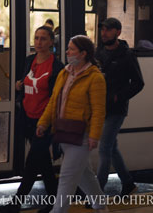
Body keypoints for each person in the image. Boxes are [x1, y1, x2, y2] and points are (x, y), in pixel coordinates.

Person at [37, 35, 107, 213]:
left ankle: (58, 211)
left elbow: (99, 110)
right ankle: (100, 206)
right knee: (85, 175)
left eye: (71, 49)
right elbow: (54, 101)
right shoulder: (65, 72)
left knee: (67, 177)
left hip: (81, 135)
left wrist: (94, 136)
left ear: (83, 53)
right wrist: (43, 123)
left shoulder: (95, 77)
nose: (67, 52)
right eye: (68, 48)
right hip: (63, 131)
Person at [0, 26, 64, 213]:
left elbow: (55, 97)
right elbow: (24, 82)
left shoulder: (56, 66)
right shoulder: (30, 60)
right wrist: (18, 86)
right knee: (44, 164)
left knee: (31, 164)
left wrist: (46, 123)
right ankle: (53, 200)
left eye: (43, 39)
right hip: (27, 119)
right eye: (36, 38)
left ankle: (16, 203)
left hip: (43, 122)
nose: (38, 42)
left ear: (52, 42)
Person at [95, 18, 144, 197]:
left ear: (117, 32)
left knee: (104, 148)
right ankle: (129, 183)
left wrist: (119, 97)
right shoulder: (98, 53)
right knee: (111, 147)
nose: (104, 33)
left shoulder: (127, 55)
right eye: (103, 30)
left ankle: (97, 190)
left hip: (116, 109)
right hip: (100, 107)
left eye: (108, 30)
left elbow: (138, 83)